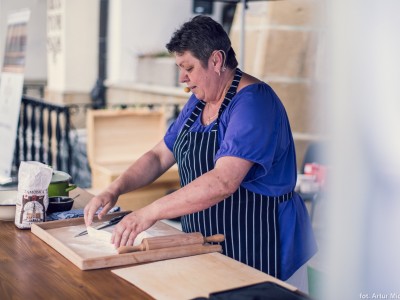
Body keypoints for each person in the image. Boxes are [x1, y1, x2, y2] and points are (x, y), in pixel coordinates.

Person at [84, 15, 317, 292]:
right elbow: (159, 156)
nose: (182, 78)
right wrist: (115, 189)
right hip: (212, 245)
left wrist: (149, 213)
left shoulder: (254, 103)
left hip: (264, 245)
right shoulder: (198, 102)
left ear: (216, 61)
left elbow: (223, 182)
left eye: (188, 68)